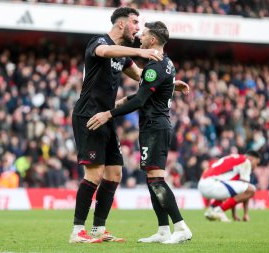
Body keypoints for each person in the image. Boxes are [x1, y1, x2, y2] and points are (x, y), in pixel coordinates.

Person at [70, 7, 189, 244]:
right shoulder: (99, 42)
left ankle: (99, 229)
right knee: (94, 174)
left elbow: (142, 78)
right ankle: (77, 231)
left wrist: (170, 84)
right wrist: (138, 51)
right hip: (90, 116)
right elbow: (105, 51)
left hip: (107, 116)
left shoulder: (123, 57)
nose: (138, 28)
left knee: (114, 174)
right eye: (135, 22)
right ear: (122, 24)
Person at [197, 151, 261, 222]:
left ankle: (212, 209)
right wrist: (245, 214)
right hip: (212, 183)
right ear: (251, 158)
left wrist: (234, 214)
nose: (256, 166)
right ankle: (219, 211)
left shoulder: (235, 158)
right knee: (251, 189)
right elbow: (246, 189)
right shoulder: (246, 161)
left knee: (232, 189)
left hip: (204, 183)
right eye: (257, 163)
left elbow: (235, 192)